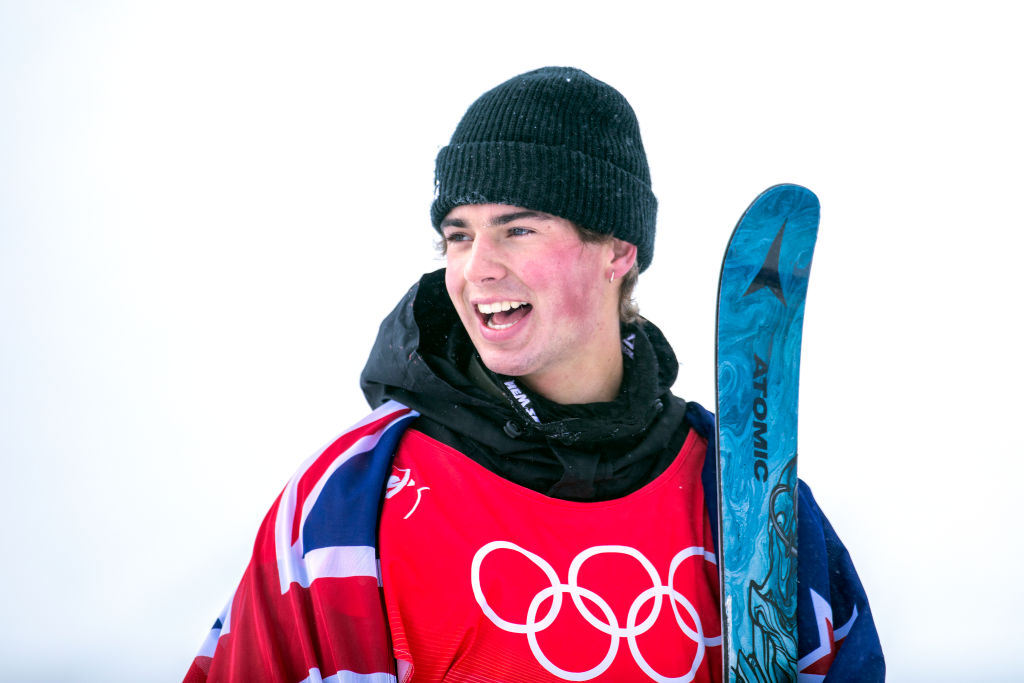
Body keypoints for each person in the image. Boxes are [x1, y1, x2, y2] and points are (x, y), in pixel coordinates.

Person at [184, 66, 884, 682]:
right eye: (457, 234)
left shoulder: (747, 501)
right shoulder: (349, 503)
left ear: (618, 251)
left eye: (517, 228)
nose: (475, 267)